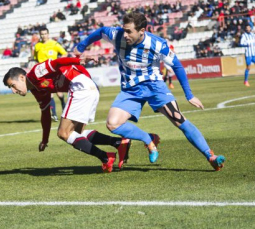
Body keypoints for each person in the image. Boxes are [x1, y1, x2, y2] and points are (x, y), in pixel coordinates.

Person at [74, 12, 226, 171]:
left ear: (142, 31)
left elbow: (177, 66)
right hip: (130, 89)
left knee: (178, 118)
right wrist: (81, 46)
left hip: (154, 86)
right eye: (124, 30)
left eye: (129, 31)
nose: (124, 34)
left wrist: (189, 95)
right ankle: (148, 139)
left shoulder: (157, 44)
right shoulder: (117, 34)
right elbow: (100, 31)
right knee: (112, 124)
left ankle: (210, 156)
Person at [3, 57, 131, 172]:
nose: (14, 91)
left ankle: (105, 157)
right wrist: (45, 140)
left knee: (63, 133)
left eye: (13, 86)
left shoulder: (35, 73)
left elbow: (56, 62)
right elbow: (46, 115)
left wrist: (78, 60)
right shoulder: (38, 91)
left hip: (79, 85)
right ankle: (118, 143)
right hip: (89, 88)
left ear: (21, 77)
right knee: (77, 134)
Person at [34, 28, 67, 122]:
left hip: (54, 72)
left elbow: (64, 53)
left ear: (48, 34)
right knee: (49, 94)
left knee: (59, 94)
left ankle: (64, 107)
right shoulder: (37, 46)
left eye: (45, 34)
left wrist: (58, 62)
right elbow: (36, 59)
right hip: (43, 74)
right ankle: (54, 115)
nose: (44, 36)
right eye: (42, 34)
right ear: (40, 35)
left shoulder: (54, 44)